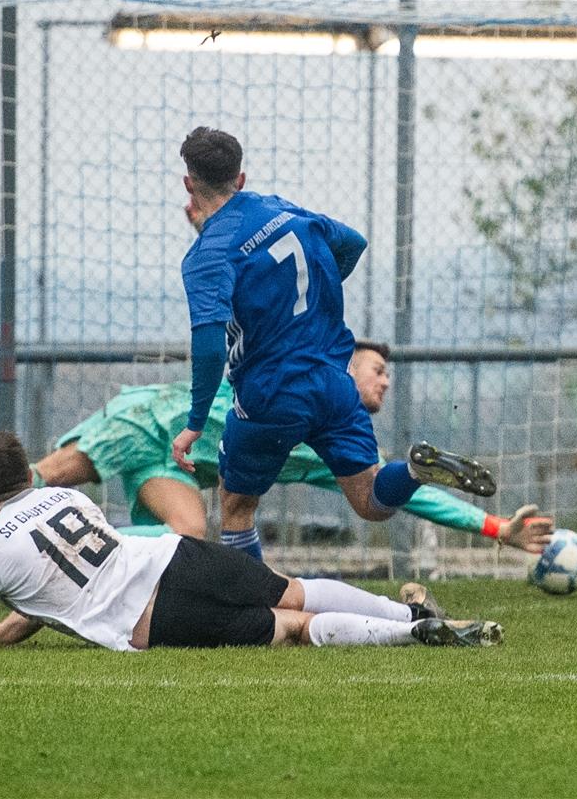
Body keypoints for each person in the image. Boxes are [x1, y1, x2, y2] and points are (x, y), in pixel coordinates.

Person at [0, 341, 553, 590]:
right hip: (144, 424)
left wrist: (495, 528)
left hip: (174, 460)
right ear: (346, 366)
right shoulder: (306, 384)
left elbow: (396, 497)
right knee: (32, 481)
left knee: (183, 539)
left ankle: (72, 555)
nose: (385, 382)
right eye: (376, 369)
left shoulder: (328, 431)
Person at [0, 431, 503, 651]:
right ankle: (411, 612)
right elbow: (39, 601)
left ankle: (412, 637)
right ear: (29, 471)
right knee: (295, 587)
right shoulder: (67, 496)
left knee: (291, 628)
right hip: (173, 554)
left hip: (153, 614)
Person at [169, 126, 502, 561]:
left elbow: (211, 346)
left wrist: (195, 422)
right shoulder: (281, 210)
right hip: (333, 381)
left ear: (188, 183)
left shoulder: (205, 257)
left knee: (236, 505)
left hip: (270, 393)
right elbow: (352, 242)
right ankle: (416, 470)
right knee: (371, 501)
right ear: (242, 178)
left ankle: (255, 609)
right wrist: (309, 295)